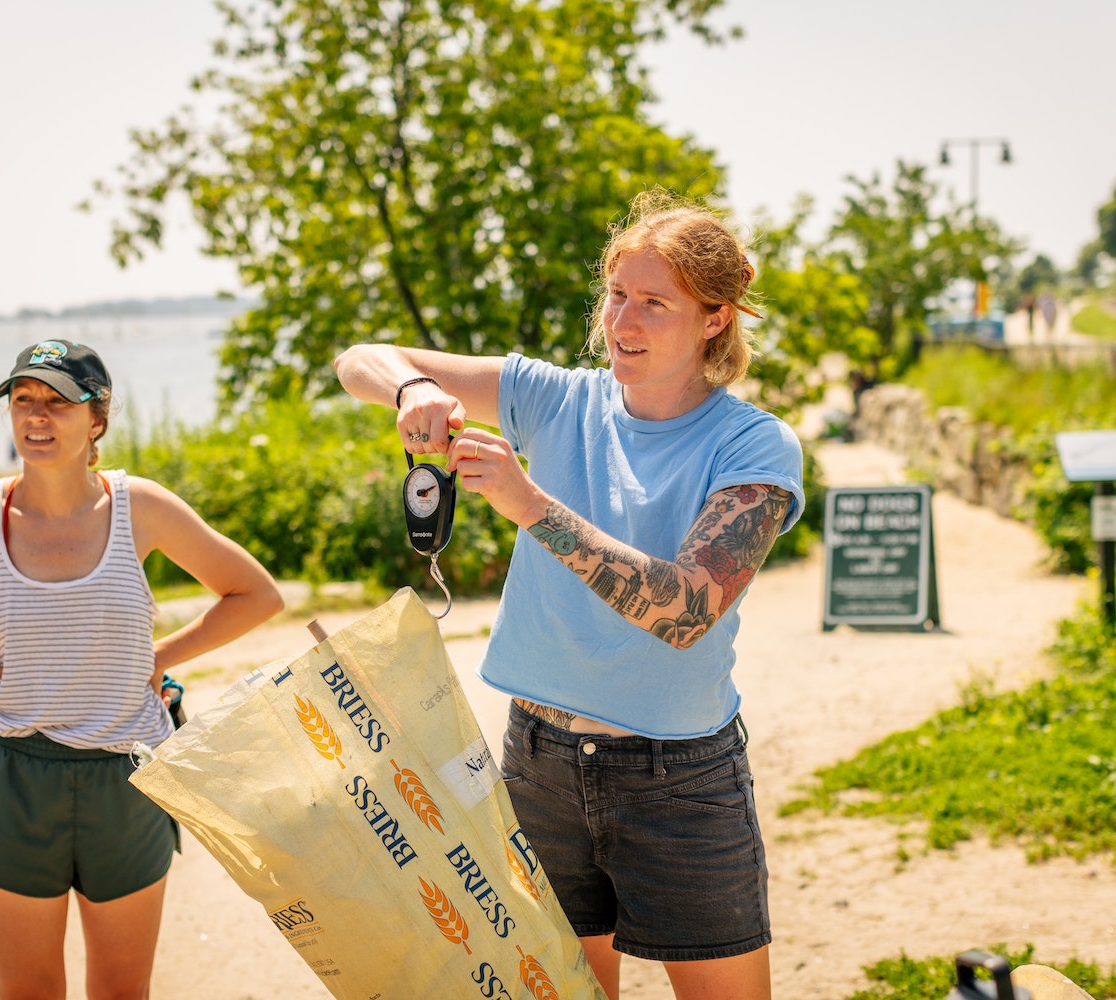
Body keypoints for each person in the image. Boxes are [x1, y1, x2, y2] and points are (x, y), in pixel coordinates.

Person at [334, 190, 804, 1000]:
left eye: (655, 303)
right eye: (617, 294)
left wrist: (528, 506)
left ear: (716, 318)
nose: (624, 320)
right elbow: (359, 358)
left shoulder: (755, 444)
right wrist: (412, 390)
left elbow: (686, 610)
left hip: (681, 779)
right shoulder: (555, 397)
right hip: (539, 764)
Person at [0, 339, 285, 999]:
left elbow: (257, 594)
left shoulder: (143, 509)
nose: (37, 416)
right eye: (23, 400)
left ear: (96, 418)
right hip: (11, 778)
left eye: (57, 401)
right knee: (29, 993)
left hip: (124, 780)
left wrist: (156, 657)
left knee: (120, 994)